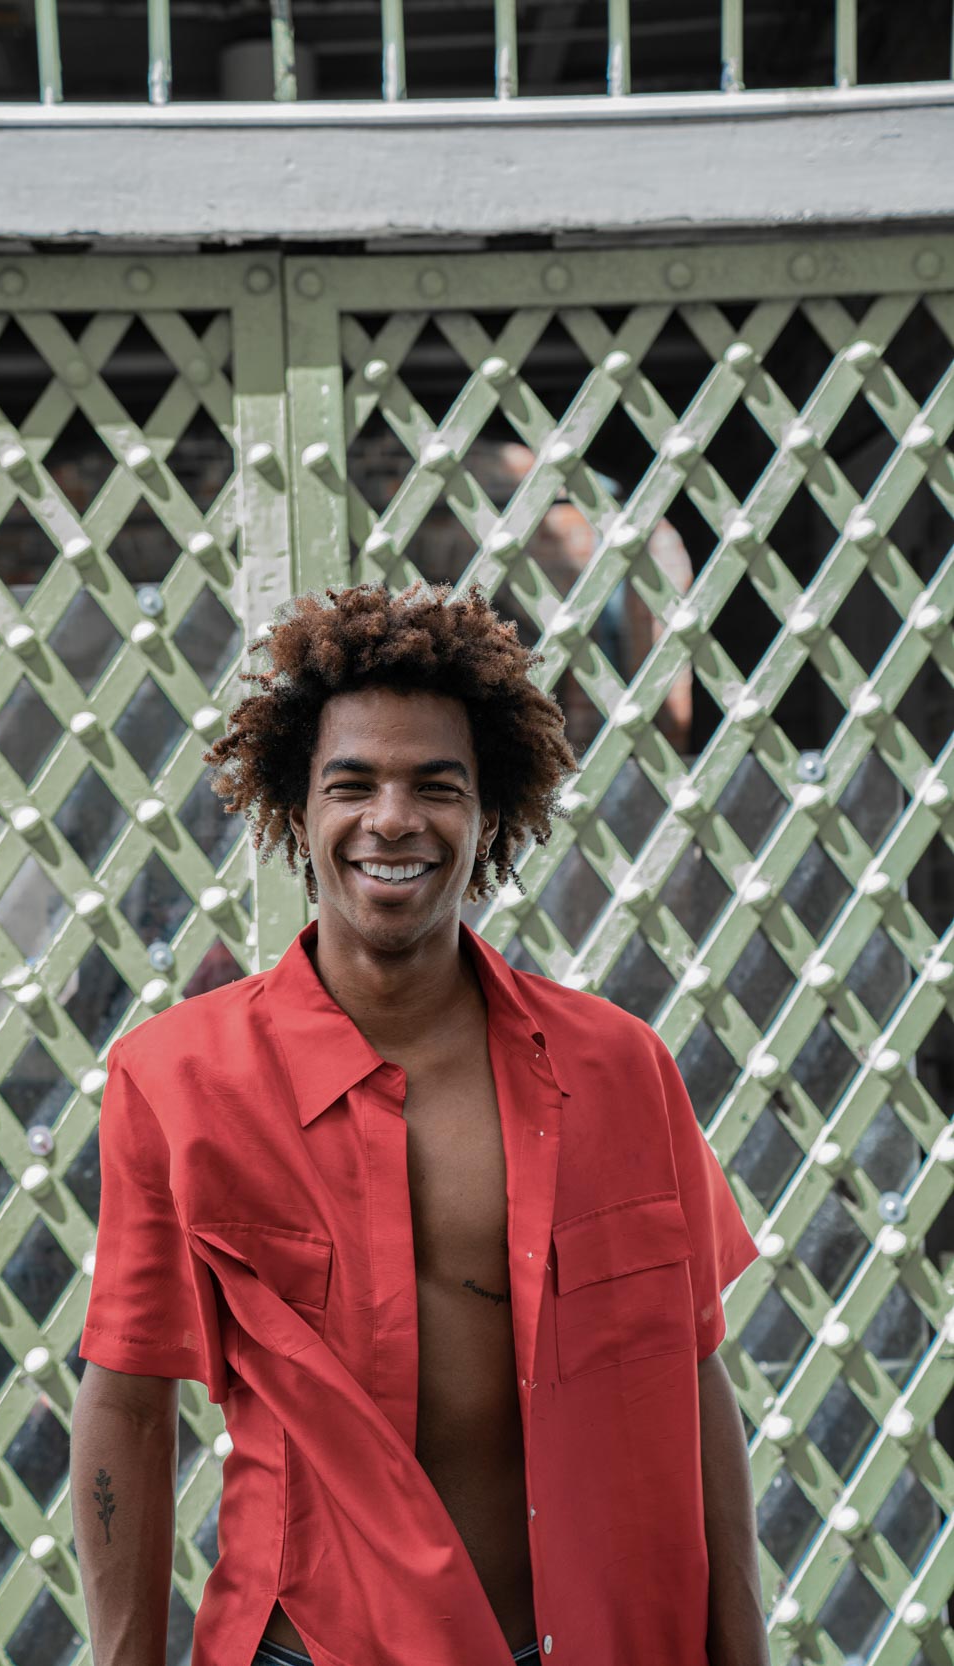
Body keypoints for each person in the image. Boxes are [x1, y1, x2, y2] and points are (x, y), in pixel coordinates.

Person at [71, 581, 767, 1666]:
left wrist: (742, 1649)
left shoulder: (618, 1067)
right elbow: (126, 1403)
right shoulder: (177, 1079)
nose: (391, 819)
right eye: (351, 784)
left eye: (436, 786)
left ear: (488, 810)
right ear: (294, 806)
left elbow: (693, 1369)